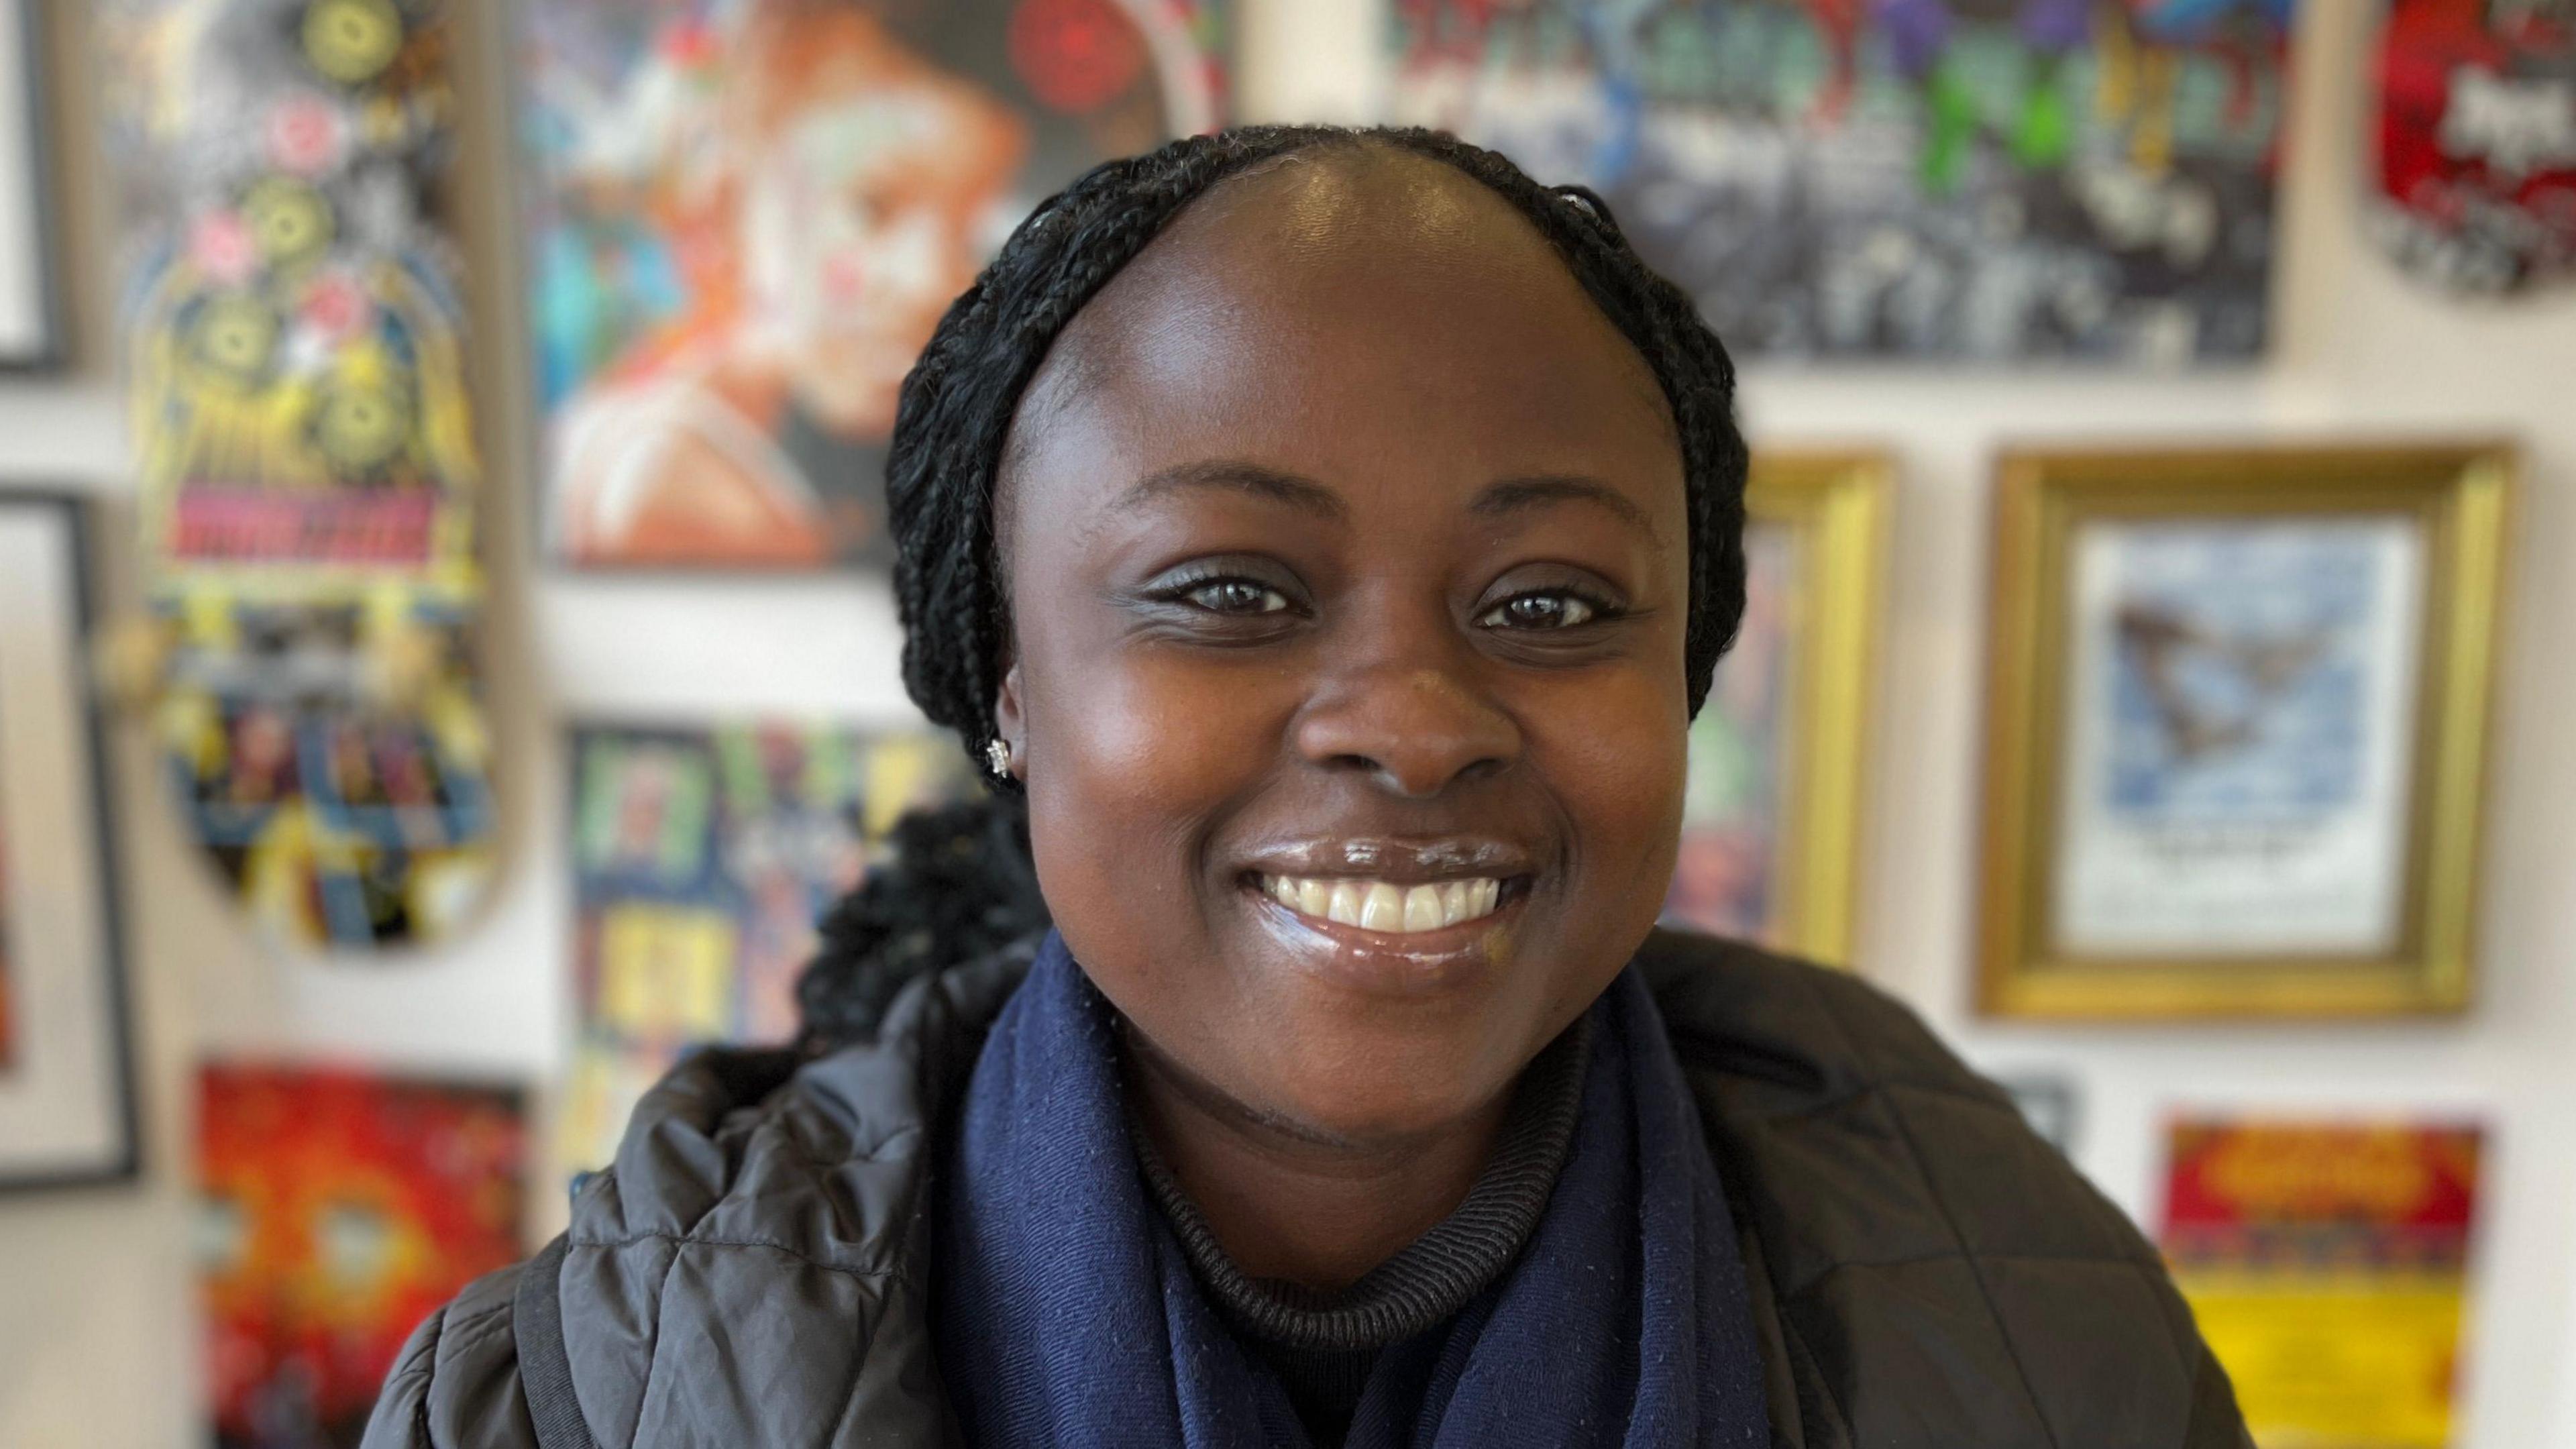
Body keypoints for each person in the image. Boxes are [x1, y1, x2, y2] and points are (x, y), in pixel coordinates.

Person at [368, 125, 2250, 1448]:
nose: (1414, 726)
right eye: (1230, 592)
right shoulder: (580, 1402)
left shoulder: (2035, 1342)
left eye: (1548, 604)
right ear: (1009, 684)